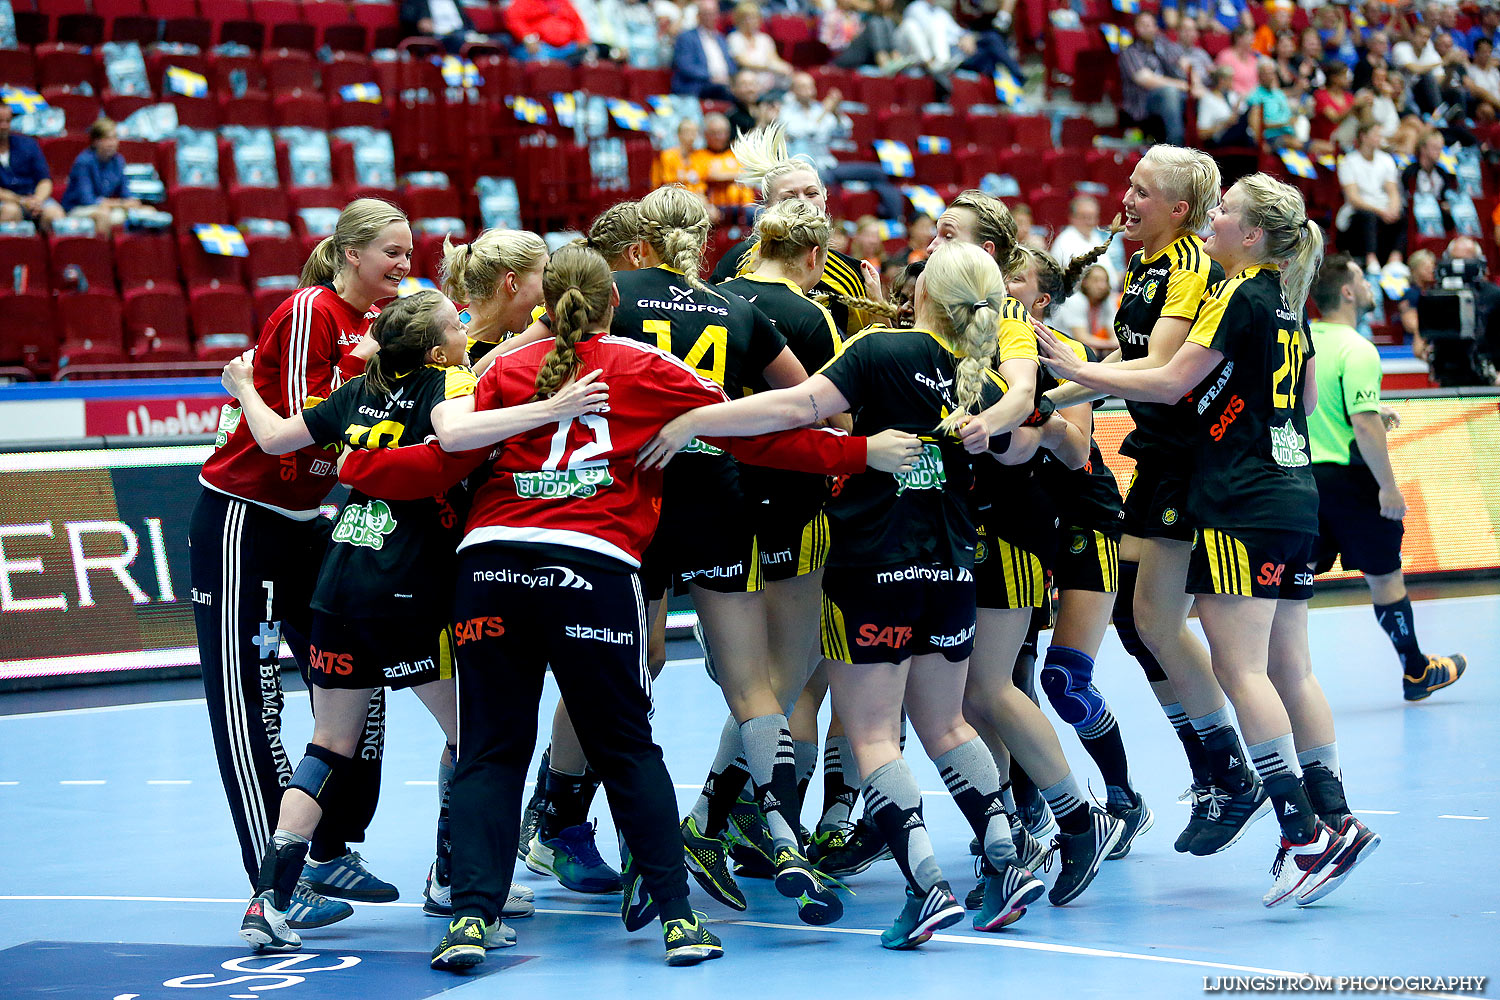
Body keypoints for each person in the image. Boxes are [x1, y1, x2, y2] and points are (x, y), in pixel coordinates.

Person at [367, 244, 910, 969]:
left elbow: (446, 455)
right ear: (613, 303)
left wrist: (356, 467)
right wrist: (859, 453)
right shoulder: (645, 366)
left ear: (543, 304)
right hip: (591, 569)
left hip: (490, 567)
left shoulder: (501, 368)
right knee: (625, 745)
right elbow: (757, 437)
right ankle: (679, 922)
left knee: (490, 751)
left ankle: (469, 919)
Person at [641, 240, 1049, 947]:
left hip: (874, 569)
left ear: (923, 292)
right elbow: (1024, 438)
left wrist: (695, 418)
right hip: (952, 571)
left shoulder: (880, 350)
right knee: (947, 726)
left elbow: (796, 405)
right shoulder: (980, 379)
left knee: (869, 734)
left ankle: (929, 887)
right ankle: (1007, 861)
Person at [1037, 173, 1382, 908]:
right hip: (1296, 492)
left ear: (1252, 235)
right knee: (1293, 667)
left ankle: (1302, 834)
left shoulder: (1234, 295)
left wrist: (1070, 369)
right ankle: (1338, 817)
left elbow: (1166, 384)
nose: (1215, 218)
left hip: (1242, 501)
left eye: (1225, 212)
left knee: (1243, 669)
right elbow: (1309, 397)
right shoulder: (1289, 304)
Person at [221, 291, 601, 951]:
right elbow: (456, 435)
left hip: (337, 588)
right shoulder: (446, 385)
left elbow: (276, 436)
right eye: (457, 328)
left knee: (327, 746)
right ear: (433, 350)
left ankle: (267, 902)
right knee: (475, 739)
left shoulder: (357, 392)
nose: (465, 333)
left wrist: (242, 386)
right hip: (407, 591)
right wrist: (557, 407)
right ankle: (458, 883)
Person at [188, 199, 410, 932]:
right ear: (351, 255)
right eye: (392, 253)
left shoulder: (378, 325)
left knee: (353, 679)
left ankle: (331, 848)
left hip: (308, 524)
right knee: (254, 702)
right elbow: (289, 433)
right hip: (241, 524)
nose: (405, 267)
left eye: (410, 254)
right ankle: (272, 885)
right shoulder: (310, 309)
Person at [1039, 146, 1267, 859]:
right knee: (1138, 623)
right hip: (1159, 458)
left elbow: (1155, 370)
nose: (1127, 200)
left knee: (1158, 623)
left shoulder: (1191, 265)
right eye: (1129, 187)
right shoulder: (1146, 265)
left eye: (1144, 192)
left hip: (1195, 462)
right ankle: (1211, 770)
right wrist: (1040, 399)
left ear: (1180, 209)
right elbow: (1115, 366)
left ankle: (1235, 773)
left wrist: (1066, 377)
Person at [930, 190, 1127, 907]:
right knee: (972, 695)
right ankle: (1020, 828)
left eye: (947, 235)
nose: (930, 246)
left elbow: (1047, 437)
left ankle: (1084, 816)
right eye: (931, 234)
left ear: (986, 251)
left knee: (992, 689)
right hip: (967, 526)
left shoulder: (1014, 328)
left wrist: (1011, 426)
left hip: (1012, 528)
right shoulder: (951, 319)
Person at [1306, 254, 1468, 702]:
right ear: (1347, 292)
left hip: (1301, 482)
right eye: (1361, 277)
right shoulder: (1358, 348)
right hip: (1352, 482)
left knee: (1289, 588)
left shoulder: (1306, 339)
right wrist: (1388, 487)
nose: (1369, 284)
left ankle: (1270, 678)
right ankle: (1416, 671)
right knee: (1384, 577)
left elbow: (1310, 404)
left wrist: (1372, 408)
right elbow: (1361, 426)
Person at [713, 123, 890, 337]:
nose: (803, 203)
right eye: (789, 197)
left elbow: (869, 348)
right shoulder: (739, 260)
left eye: (811, 193)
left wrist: (879, 305)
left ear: (825, 197)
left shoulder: (850, 274)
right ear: (768, 207)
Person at [777, 71, 904, 222]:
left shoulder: (818, 108)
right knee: (817, 184)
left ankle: (895, 219)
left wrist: (836, 112)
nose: (808, 90)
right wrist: (826, 110)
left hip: (829, 165)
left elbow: (844, 132)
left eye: (811, 86)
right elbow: (806, 132)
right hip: (806, 170)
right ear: (793, 91)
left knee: (877, 172)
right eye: (803, 87)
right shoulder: (785, 113)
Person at [440, 229, 550, 371]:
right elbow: (469, 384)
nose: (551, 284)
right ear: (512, 283)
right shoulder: (449, 350)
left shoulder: (535, 315)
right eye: (546, 274)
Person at [1336, 122, 1404, 274]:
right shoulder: (1349, 162)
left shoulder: (1386, 160)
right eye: (1376, 135)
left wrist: (1393, 208)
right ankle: (1370, 258)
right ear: (1363, 137)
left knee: (1401, 215)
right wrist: (1380, 211)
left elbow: (1393, 190)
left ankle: (1395, 259)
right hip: (1357, 210)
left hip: (1381, 205)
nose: (1380, 138)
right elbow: (1353, 198)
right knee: (1368, 216)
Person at [59, 118, 139, 236]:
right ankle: (101, 253)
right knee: (103, 215)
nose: (112, 143)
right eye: (107, 139)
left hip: (104, 207)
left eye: (114, 138)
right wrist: (120, 204)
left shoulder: (118, 160)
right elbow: (87, 200)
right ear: (95, 142)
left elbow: (125, 193)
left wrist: (132, 202)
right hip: (76, 208)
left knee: (146, 213)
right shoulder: (84, 162)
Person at [1120, 12, 1190, 146]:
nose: (1147, 28)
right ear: (1135, 28)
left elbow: (1184, 62)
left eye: (1150, 24)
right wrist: (1181, 85)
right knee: (1169, 93)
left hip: (1174, 94)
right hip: (1143, 102)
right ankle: (1176, 147)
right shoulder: (1130, 52)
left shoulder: (1163, 45)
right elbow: (1147, 81)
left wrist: (1195, 83)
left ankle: (1209, 144)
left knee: (1196, 95)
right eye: (1143, 25)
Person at [0, 103, 64, 230]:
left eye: (8, 121)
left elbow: (45, 180)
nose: (5, 126)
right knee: (11, 212)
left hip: (33, 198)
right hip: (8, 201)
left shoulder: (28, 144)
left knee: (55, 213)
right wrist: (20, 200)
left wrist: (37, 200)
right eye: (0, 121)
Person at [691, 113, 757, 223]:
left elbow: (749, 177)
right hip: (717, 207)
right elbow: (699, 185)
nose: (720, 137)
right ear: (705, 134)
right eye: (715, 133)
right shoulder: (697, 156)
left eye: (723, 133)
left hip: (745, 207)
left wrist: (724, 177)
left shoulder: (736, 154)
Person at [1051, 194, 1123, 289]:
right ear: (1072, 217)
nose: (1090, 222)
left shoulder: (1096, 236)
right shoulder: (1065, 241)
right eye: (1085, 217)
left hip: (1106, 295)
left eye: (1093, 217)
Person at [671, 0, 737, 99]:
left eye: (714, 14)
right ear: (698, 16)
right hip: (697, 86)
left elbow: (731, 64)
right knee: (725, 91)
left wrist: (730, 77)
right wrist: (712, 77)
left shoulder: (721, 38)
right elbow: (685, 66)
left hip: (723, 83)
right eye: (707, 14)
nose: (711, 17)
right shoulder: (686, 37)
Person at [1051, 262, 1117, 355]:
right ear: (1085, 282)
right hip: (1059, 345)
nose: (1101, 286)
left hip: (1080, 346)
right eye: (1096, 281)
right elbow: (1082, 338)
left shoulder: (1107, 301)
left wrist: (1114, 346)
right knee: (1091, 352)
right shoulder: (1076, 300)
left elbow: (1114, 334)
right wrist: (1112, 344)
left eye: (1104, 281)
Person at [727, 1, 793, 95]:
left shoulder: (764, 38)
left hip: (769, 80)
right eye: (746, 18)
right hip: (747, 81)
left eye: (753, 18)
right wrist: (769, 67)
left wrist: (786, 67)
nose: (750, 21)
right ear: (738, 20)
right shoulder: (734, 38)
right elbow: (743, 62)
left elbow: (774, 59)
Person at [504, 0, 591, 62]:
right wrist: (528, 37)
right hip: (540, 47)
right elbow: (514, 19)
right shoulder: (525, 2)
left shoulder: (563, 2)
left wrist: (582, 39)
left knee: (589, 56)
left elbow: (577, 22)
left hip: (566, 47)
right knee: (543, 61)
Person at [399, 0, 486, 52]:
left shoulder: (454, 1)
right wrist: (419, 22)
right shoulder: (417, 1)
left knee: (499, 39)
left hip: (463, 34)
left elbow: (467, 21)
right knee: (459, 38)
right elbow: (407, 16)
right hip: (439, 37)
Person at [652, 118, 706, 194]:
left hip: (697, 196)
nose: (692, 135)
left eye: (694, 132)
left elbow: (704, 178)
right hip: (674, 197)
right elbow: (665, 181)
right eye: (687, 131)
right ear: (679, 134)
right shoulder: (668, 156)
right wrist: (687, 177)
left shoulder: (700, 155)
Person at [1216, 24, 1261, 98]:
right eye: (1249, 37)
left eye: (1253, 38)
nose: (1252, 41)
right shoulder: (1225, 57)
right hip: (1233, 96)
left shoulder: (1253, 58)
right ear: (1238, 38)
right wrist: (1243, 94)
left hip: (1254, 97)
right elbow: (1224, 82)